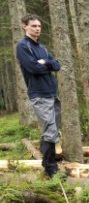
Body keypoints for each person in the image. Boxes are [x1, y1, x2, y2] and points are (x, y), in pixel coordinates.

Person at [16, 14, 62, 177]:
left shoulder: (42, 48)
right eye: (34, 26)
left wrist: (46, 63)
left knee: (53, 129)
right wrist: (44, 64)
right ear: (25, 26)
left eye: (39, 26)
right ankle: (51, 168)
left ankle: (48, 161)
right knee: (50, 129)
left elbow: (57, 65)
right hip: (39, 93)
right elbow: (33, 68)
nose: (37, 29)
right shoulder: (22, 46)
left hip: (52, 92)